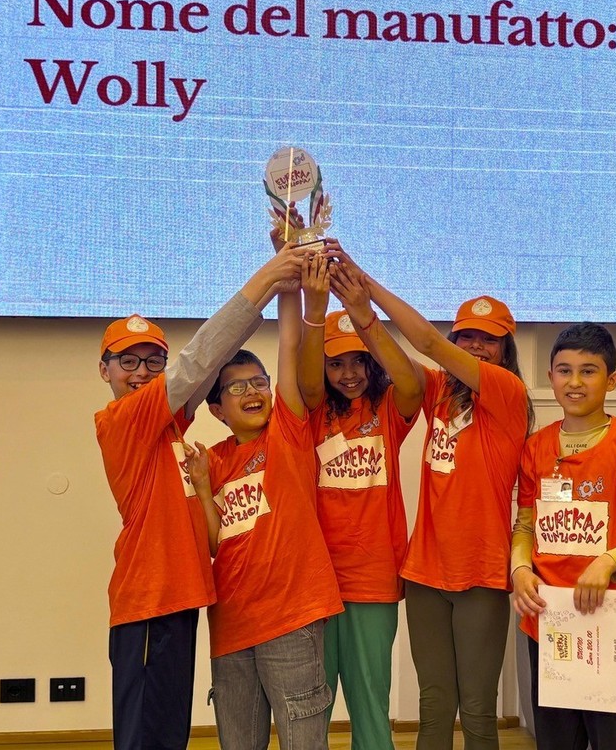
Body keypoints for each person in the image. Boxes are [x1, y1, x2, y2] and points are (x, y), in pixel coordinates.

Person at [94, 244, 309, 750]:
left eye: (153, 361)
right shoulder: (122, 419)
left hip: (179, 596)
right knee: (145, 736)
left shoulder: (167, 425)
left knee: (169, 732)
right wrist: (268, 276)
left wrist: (281, 289)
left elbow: (210, 365)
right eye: (128, 361)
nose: (141, 372)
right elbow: (199, 359)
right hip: (149, 600)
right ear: (104, 370)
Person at [325, 242, 532, 750]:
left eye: (488, 340)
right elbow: (396, 357)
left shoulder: (507, 395)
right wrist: (360, 314)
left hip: (481, 573)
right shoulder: (439, 391)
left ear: (505, 350)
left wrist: (366, 284)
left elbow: (428, 344)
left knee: (478, 710)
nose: (476, 347)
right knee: (434, 706)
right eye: (467, 337)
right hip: (423, 574)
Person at [183, 279, 343, 750]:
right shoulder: (212, 460)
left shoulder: (288, 433)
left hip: (291, 620)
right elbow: (214, 545)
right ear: (217, 409)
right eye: (237, 387)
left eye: (259, 382)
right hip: (231, 626)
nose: (252, 391)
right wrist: (203, 488)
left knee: (303, 741)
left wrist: (288, 280)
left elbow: (290, 343)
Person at [511, 322, 616, 750]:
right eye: (564, 371)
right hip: (551, 624)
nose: (575, 382)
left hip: (614, 628)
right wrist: (520, 569)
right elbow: (525, 525)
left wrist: (608, 562)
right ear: (550, 377)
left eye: (588, 371)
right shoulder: (535, 447)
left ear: (612, 380)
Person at [296, 254, 424, 749]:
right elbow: (308, 381)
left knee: (370, 699)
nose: (348, 373)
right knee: (313, 701)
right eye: (336, 363)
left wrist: (364, 315)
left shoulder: (388, 408)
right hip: (318, 579)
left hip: (373, 578)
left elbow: (410, 381)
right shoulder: (311, 412)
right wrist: (313, 306)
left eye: (358, 361)